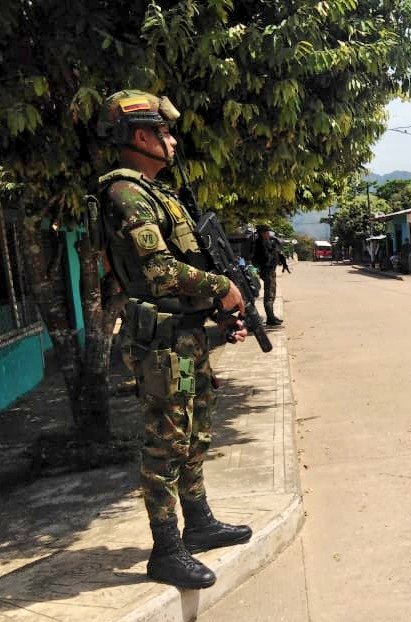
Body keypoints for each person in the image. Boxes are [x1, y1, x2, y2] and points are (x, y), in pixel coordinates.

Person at [94, 90, 253, 589]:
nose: (172, 138)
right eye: (163, 131)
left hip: (184, 336)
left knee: (196, 432)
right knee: (166, 442)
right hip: (159, 342)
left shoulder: (158, 192)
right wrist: (222, 289)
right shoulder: (126, 193)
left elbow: (193, 263)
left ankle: (199, 523)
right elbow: (160, 271)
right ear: (139, 136)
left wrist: (220, 313)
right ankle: (166, 548)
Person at [252, 225, 283, 325]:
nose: (268, 234)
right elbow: (266, 258)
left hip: (269, 271)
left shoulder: (265, 242)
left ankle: (272, 316)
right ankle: (270, 318)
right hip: (267, 271)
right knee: (269, 295)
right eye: (266, 232)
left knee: (271, 294)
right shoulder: (261, 244)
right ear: (261, 233)